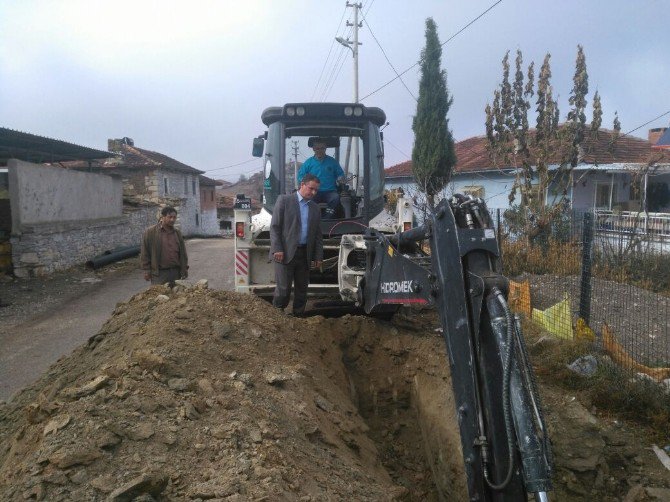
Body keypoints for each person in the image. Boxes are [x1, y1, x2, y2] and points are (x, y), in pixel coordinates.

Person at [270, 173, 323, 316]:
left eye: (316, 190)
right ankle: (277, 315)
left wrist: (318, 256)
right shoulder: (284, 201)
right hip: (285, 253)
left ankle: (298, 316)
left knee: (302, 289)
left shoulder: (315, 208)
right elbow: (275, 227)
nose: (313, 192)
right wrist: (277, 249)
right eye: (311, 188)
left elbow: (318, 235)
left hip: (305, 254)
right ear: (302, 185)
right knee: (283, 288)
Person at [141, 206, 188, 286]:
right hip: (160, 274)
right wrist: (146, 270)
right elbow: (145, 252)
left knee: (177, 296)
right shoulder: (150, 232)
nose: (172, 220)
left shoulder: (177, 233)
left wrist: (184, 269)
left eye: (174, 217)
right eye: (170, 217)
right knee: (160, 297)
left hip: (176, 272)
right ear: (162, 217)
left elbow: (183, 253)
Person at [297, 139, 345, 218]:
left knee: (335, 198)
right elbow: (300, 176)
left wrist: (341, 178)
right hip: (313, 191)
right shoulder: (308, 163)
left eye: (322, 148)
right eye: (317, 148)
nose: (320, 150)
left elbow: (340, 174)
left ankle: (327, 218)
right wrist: (305, 183)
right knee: (307, 199)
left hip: (330, 192)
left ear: (325, 148)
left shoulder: (332, 162)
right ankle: (312, 218)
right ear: (314, 149)